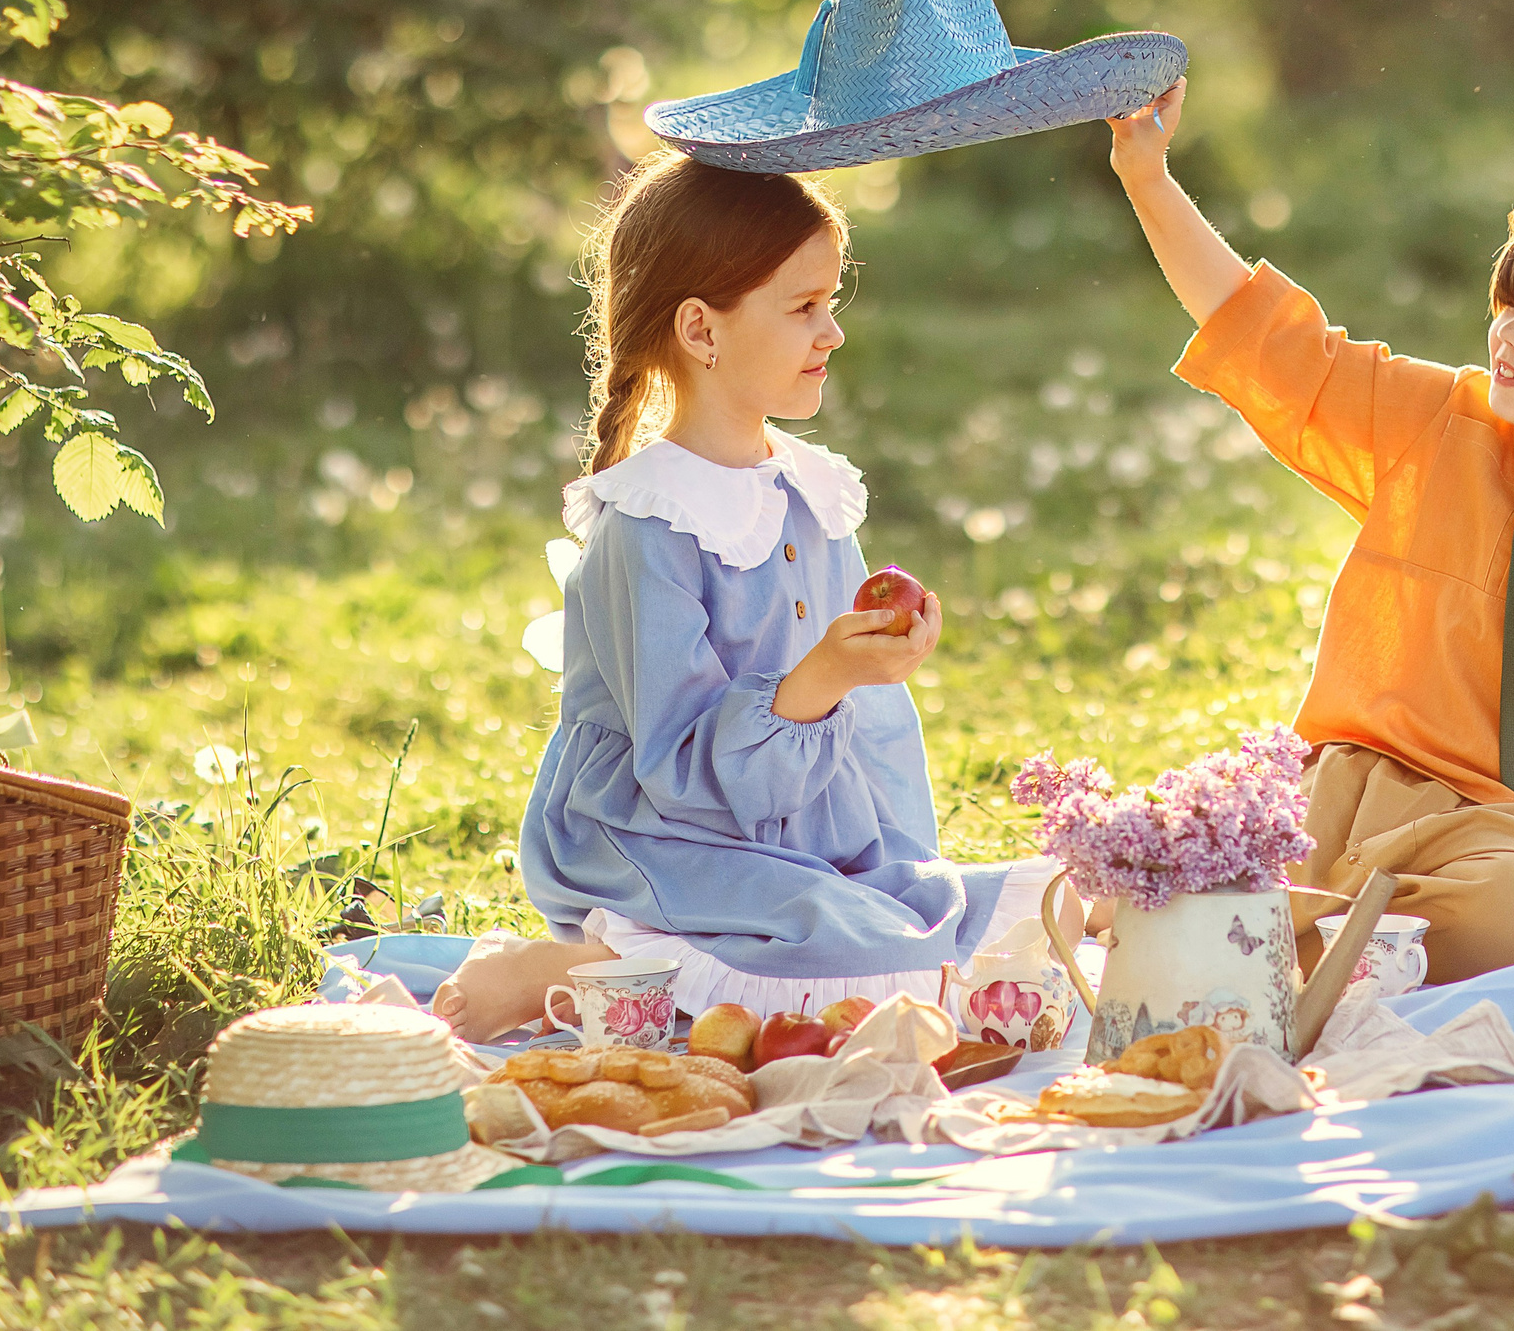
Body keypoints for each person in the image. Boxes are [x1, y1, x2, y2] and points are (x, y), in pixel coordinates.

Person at [1105, 79, 1514, 982]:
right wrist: (1150, 180)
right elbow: (1268, 341)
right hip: (1346, 792)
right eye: (1509, 306)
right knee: (1167, 867)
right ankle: (1305, 941)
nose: (1511, 337)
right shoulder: (1441, 421)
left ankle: (1308, 949)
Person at [435, 151, 1069, 1041]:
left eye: (831, 302)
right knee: (876, 963)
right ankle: (584, 966)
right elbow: (677, 768)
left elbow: (848, 713)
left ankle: (737, 943)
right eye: (804, 307)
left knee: (1032, 908)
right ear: (702, 331)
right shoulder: (647, 525)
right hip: (669, 840)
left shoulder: (812, 491)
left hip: (805, 834)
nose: (833, 332)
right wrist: (824, 676)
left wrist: (874, 660)